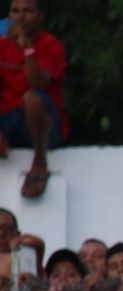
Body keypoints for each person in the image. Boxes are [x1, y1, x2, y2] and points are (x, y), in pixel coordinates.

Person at [0, 0, 67, 199]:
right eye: (15, 11)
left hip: (42, 124)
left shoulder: (51, 45)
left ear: (40, 17)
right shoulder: (1, 44)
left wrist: (27, 48)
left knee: (32, 98)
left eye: (28, 11)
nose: (20, 17)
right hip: (9, 119)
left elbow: (37, 83)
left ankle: (39, 164)